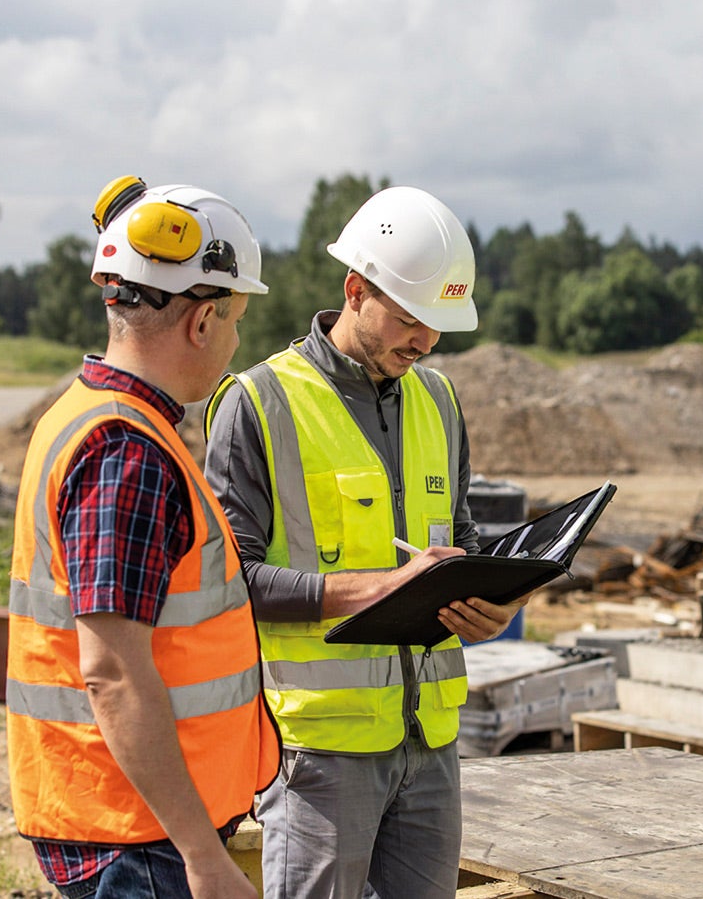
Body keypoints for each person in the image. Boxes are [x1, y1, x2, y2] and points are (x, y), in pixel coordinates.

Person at [204, 185, 522, 898]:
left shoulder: (439, 400)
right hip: (319, 754)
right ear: (355, 290)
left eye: (439, 326)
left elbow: (460, 539)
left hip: (432, 744)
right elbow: (230, 584)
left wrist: (490, 601)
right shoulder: (259, 403)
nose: (427, 341)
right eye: (411, 320)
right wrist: (382, 586)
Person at [6, 176, 280, 899]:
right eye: (236, 317)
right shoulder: (125, 450)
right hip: (139, 838)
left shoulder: (93, 416)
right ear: (202, 321)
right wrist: (203, 857)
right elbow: (113, 671)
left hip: (127, 818)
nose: (235, 338)